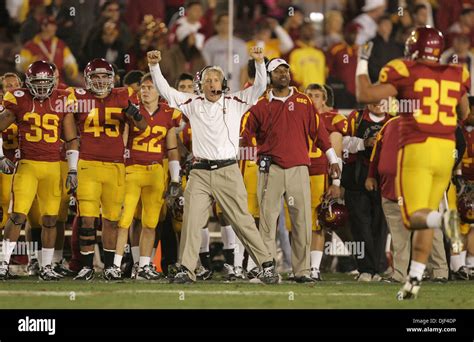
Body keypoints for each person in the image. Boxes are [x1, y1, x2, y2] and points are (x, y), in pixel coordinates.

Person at [147, 47, 279, 284]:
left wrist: (259, 62)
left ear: (223, 82)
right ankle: (186, 269)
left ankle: (266, 264)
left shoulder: (236, 101)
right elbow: (165, 91)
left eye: (216, 78)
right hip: (199, 172)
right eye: (207, 79)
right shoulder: (192, 103)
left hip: (228, 170)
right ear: (201, 85)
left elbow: (259, 87)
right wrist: (154, 66)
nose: (211, 82)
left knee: (242, 220)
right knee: (191, 221)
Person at [356, 26, 470, 299]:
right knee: (425, 218)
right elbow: (464, 112)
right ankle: (415, 278)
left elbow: (364, 95)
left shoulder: (404, 69)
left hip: (418, 148)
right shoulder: (458, 73)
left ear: (413, 47)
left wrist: (361, 61)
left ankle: (444, 218)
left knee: (413, 217)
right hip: (446, 150)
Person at [242, 58, 340, 282]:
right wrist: (248, 156)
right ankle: (267, 269)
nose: (283, 74)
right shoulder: (260, 104)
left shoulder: (303, 101)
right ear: (269, 76)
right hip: (271, 169)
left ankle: (302, 271)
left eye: (285, 69)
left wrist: (332, 158)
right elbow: (246, 135)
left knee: (302, 221)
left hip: (298, 168)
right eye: (277, 71)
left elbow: (319, 132)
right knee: (267, 222)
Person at [0, 61, 79, 281]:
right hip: (27, 165)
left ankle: (46, 267)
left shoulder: (63, 99)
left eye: (46, 82)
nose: (43, 87)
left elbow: (72, 139)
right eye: (38, 83)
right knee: (17, 216)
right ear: (28, 83)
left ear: (53, 81)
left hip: (53, 167)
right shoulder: (19, 98)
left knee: (51, 219)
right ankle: (3, 263)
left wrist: (72, 170)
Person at [73, 58, 147, 281]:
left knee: (112, 220)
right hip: (87, 164)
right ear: (88, 79)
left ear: (112, 78)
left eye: (105, 76)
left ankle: (109, 266)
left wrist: (130, 109)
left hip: (115, 165)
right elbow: (64, 127)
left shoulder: (122, 97)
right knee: (87, 218)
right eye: (96, 76)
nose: (101, 80)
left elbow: (143, 126)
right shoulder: (78, 98)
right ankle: (86, 265)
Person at [114, 73, 181, 280]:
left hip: (154, 172)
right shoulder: (132, 112)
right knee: (124, 222)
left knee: (150, 223)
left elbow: (171, 149)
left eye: (150, 87)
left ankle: (143, 266)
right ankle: (115, 266)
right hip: (132, 170)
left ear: (159, 91)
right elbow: (122, 143)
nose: (145, 90)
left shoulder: (169, 114)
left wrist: (176, 178)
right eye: (143, 87)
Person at [342, 102, 390, 281]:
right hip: (356, 179)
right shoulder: (356, 117)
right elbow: (343, 142)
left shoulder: (394, 121)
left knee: (380, 226)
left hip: (383, 180)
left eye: (382, 99)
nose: (378, 103)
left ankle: (377, 269)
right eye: (374, 99)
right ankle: (365, 268)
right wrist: (364, 143)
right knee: (360, 226)